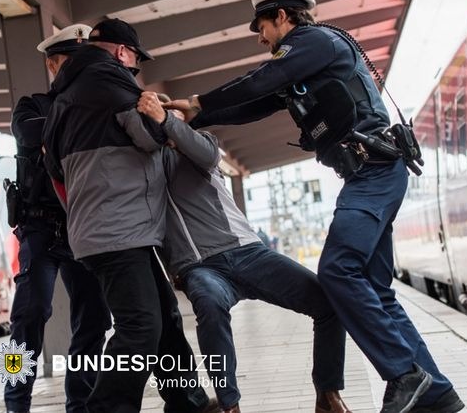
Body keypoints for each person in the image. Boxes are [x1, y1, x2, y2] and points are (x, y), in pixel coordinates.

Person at [165, 0, 463, 413]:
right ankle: (435, 394)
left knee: (338, 272)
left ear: (283, 17)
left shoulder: (315, 42)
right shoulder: (304, 63)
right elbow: (260, 101)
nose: (260, 38)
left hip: (374, 171)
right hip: (369, 173)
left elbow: (261, 80)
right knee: (376, 292)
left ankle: (405, 375)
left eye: (262, 28)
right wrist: (200, 115)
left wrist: (199, 101)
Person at [130, 100, 350, 413]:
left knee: (328, 303)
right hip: (200, 268)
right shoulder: (143, 167)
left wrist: (167, 119)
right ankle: (230, 405)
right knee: (209, 303)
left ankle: (327, 395)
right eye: (165, 121)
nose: (172, 124)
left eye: (176, 120)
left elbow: (204, 153)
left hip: (248, 252)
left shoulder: (202, 146)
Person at [42, 18, 217, 413]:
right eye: (134, 62)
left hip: (107, 227)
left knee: (164, 318)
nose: (133, 71)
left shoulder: (62, 100)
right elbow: (149, 135)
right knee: (140, 328)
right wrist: (163, 119)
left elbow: (52, 166)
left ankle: (186, 401)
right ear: (123, 52)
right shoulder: (108, 75)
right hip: (116, 228)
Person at [6, 24, 112, 413]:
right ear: (53, 65)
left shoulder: (91, 102)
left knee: (95, 318)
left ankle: (80, 402)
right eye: (70, 60)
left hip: (83, 227)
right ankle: (14, 400)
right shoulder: (32, 106)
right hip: (39, 228)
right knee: (28, 317)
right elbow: (29, 134)